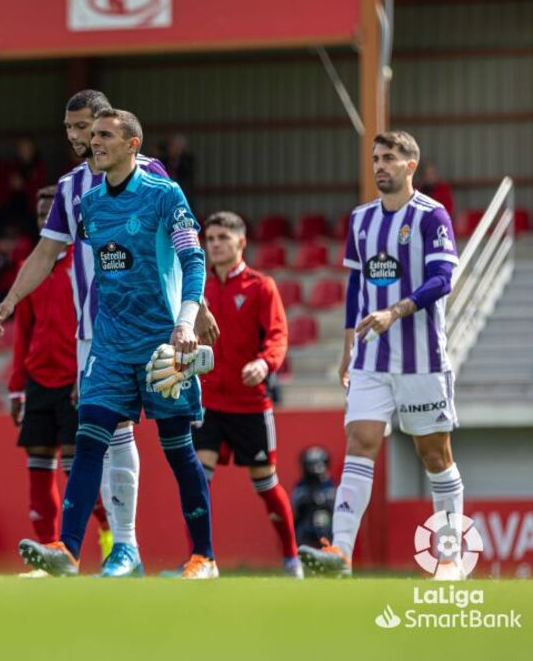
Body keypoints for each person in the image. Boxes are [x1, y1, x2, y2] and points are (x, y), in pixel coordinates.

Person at [0, 90, 208, 577]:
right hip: (99, 335)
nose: (81, 139)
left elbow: (183, 250)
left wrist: (193, 314)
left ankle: (197, 553)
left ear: (121, 135)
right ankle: (104, 548)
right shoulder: (75, 192)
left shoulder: (155, 179)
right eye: (73, 131)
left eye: (90, 129)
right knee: (97, 438)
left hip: (163, 333)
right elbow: (47, 253)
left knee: (174, 445)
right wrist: (11, 299)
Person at [300, 131, 465, 579]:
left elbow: (442, 279)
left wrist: (397, 310)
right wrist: (348, 343)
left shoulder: (433, 216)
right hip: (372, 357)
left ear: (411, 165)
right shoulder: (361, 219)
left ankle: (450, 559)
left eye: (389, 158)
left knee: (434, 455)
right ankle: (341, 553)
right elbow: (356, 284)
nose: (380, 166)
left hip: (422, 360)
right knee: (360, 442)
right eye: (375, 158)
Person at [191, 211, 301, 578]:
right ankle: (201, 559)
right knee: (198, 479)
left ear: (241, 243)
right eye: (210, 239)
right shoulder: (197, 290)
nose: (215, 244)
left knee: (265, 483)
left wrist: (265, 364)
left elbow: (278, 336)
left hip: (249, 403)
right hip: (207, 402)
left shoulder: (260, 287)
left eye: (223, 237)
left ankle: (291, 557)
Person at [8, 185, 104, 576]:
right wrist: (17, 386)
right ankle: (47, 557)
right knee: (37, 468)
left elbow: (97, 323)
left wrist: (89, 372)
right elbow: (22, 332)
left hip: (74, 381)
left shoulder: (84, 263)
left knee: (75, 470)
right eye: (39, 211)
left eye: (51, 211)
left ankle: (113, 539)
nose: (44, 218)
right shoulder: (30, 267)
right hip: (38, 382)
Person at [291, 446, 336, 548]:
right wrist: (309, 499)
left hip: (326, 522)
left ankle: (329, 551)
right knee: (300, 529)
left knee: (324, 521)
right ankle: (300, 554)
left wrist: (323, 500)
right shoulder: (301, 485)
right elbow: (295, 507)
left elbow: (335, 506)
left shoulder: (329, 484)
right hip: (306, 522)